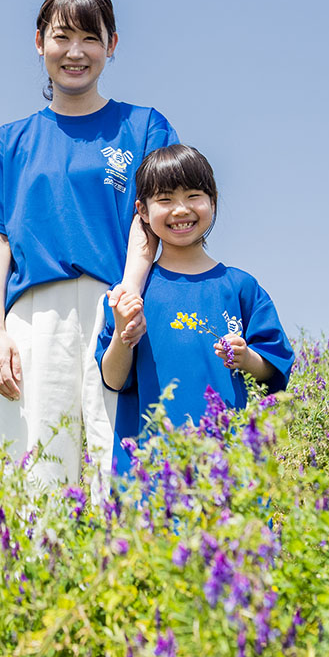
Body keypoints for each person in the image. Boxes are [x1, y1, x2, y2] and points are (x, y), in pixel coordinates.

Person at [0, 0, 178, 491]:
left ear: (112, 44)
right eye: (62, 36)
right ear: (39, 42)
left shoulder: (143, 128)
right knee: (37, 472)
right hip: (33, 314)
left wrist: (130, 297)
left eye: (90, 38)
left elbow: (153, 222)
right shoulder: (9, 143)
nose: (75, 52)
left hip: (119, 305)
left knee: (117, 467)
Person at [97, 144, 294, 474]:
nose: (180, 210)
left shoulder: (240, 286)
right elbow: (113, 379)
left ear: (212, 201)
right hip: (151, 468)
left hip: (231, 462)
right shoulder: (128, 295)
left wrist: (246, 359)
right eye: (164, 200)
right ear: (142, 211)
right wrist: (123, 334)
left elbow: (272, 370)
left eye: (193, 195)